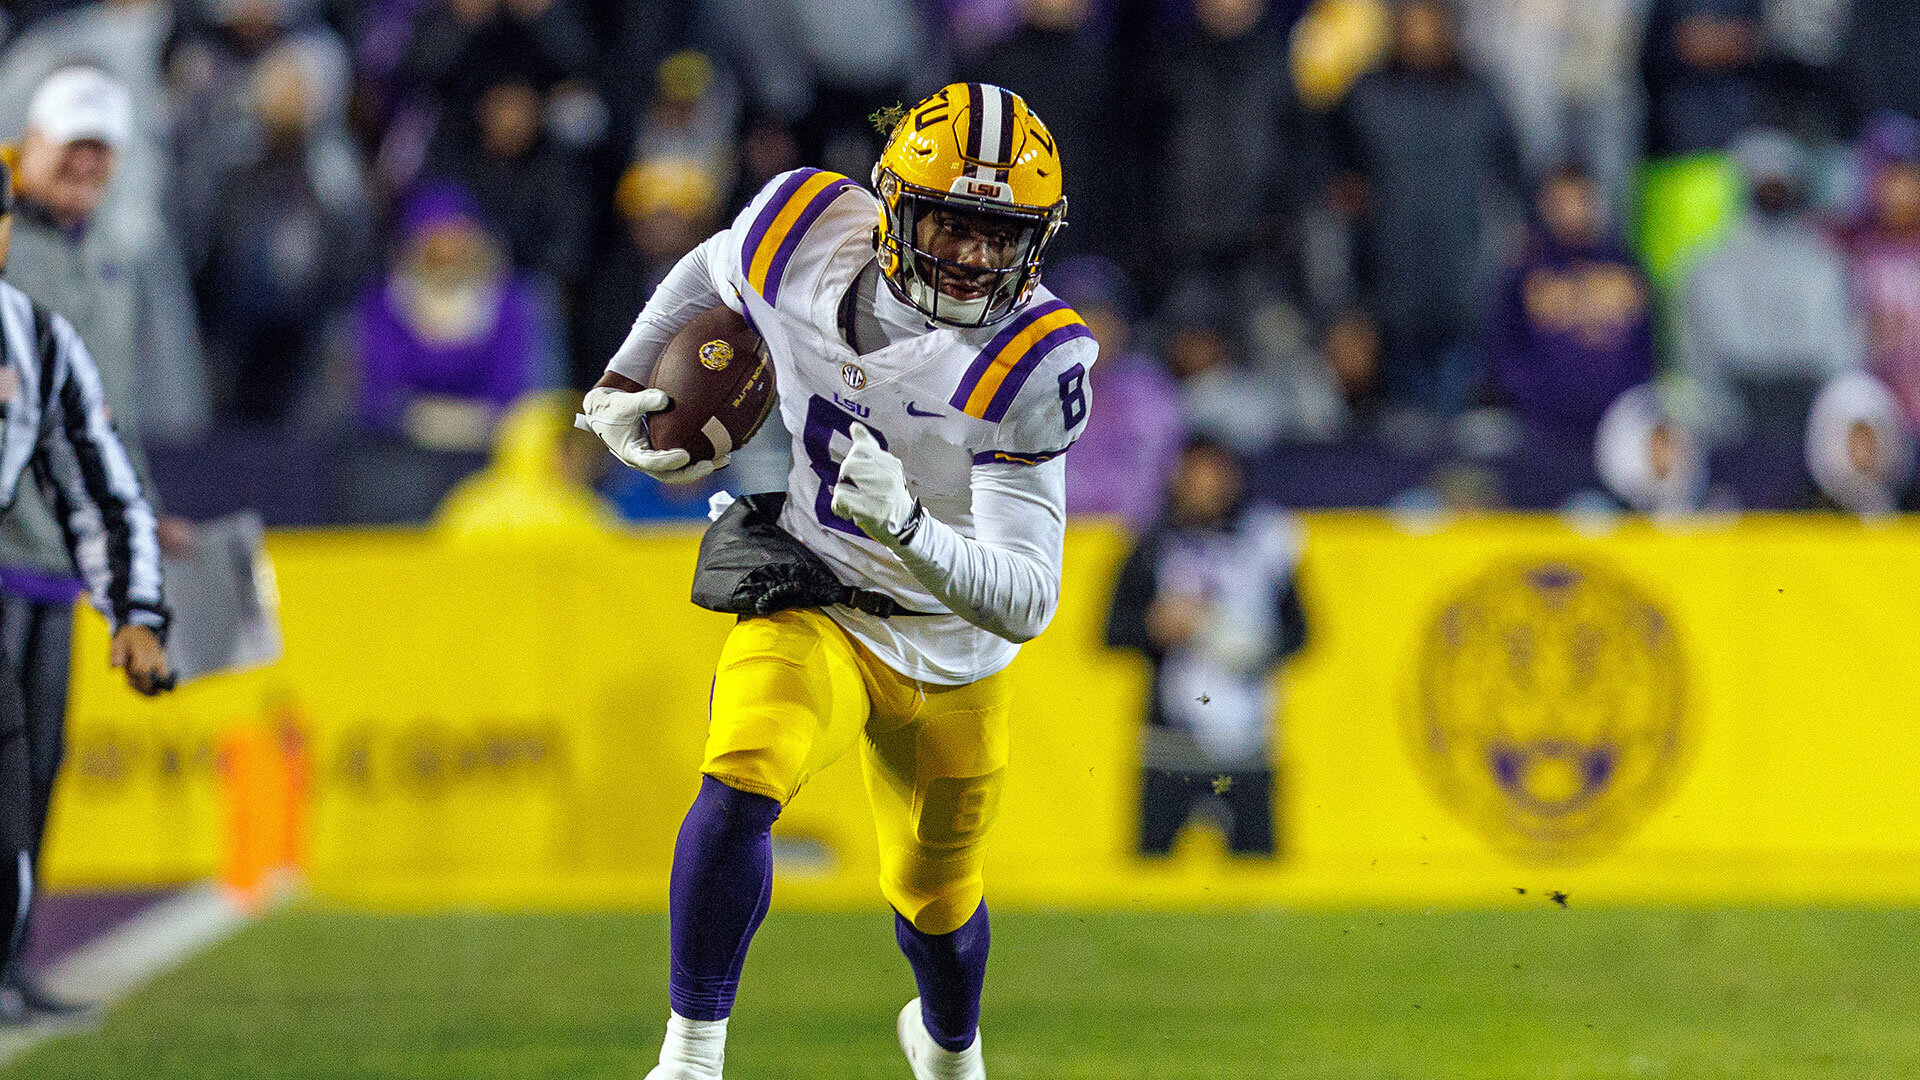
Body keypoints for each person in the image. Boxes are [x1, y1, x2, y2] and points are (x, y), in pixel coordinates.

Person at [579, 83, 1094, 1080]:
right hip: (817, 592)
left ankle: (948, 1048)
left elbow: (1031, 599)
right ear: (893, 205)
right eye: (953, 222)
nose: (977, 256)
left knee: (935, 900)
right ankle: (689, 1055)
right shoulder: (803, 230)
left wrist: (907, 527)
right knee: (742, 772)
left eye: (1001, 233)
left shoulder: (1031, 358)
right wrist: (624, 373)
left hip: (950, 647)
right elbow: (709, 268)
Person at [0, 67, 190, 1017]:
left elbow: (100, 421)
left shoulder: (101, 261)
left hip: (53, 565)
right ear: (26, 145)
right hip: (7, 550)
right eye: (68, 141)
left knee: (38, 771)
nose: (82, 161)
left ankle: (10, 961)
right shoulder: (14, 257)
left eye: (99, 147)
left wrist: (140, 521)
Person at [1104, 438, 1308, 858]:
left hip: (1249, 739)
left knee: (1257, 880)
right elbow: (1111, 631)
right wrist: (1154, 626)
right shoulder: (1150, 545)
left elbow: (1301, 633)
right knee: (1152, 884)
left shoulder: (1264, 543)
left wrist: (1250, 645)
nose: (1203, 486)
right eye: (1194, 474)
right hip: (1170, 742)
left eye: (1212, 474)